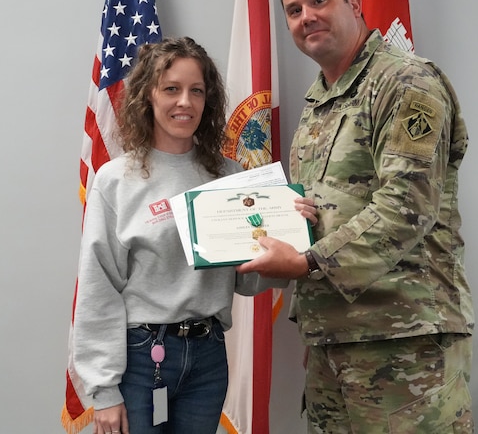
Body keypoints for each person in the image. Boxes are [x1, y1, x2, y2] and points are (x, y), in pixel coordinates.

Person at [237, 0, 475, 433]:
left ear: (354, 3)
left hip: (404, 342)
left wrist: (307, 264)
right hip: (333, 340)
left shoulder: (405, 82)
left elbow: (407, 207)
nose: (306, 17)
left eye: (318, 0)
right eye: (293, 10)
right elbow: (327, 208)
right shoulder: (319, 102)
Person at [70, 36, 316, 434]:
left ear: (208, 100)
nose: (185, 102)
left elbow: (248, 278)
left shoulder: (229, 176)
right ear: (148, 96)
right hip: (140, 358)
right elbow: (99, 286)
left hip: (208, 355)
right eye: (172, 89)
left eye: (196, 91)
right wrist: (104, 391)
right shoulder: (117, 180)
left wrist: (293, 235)